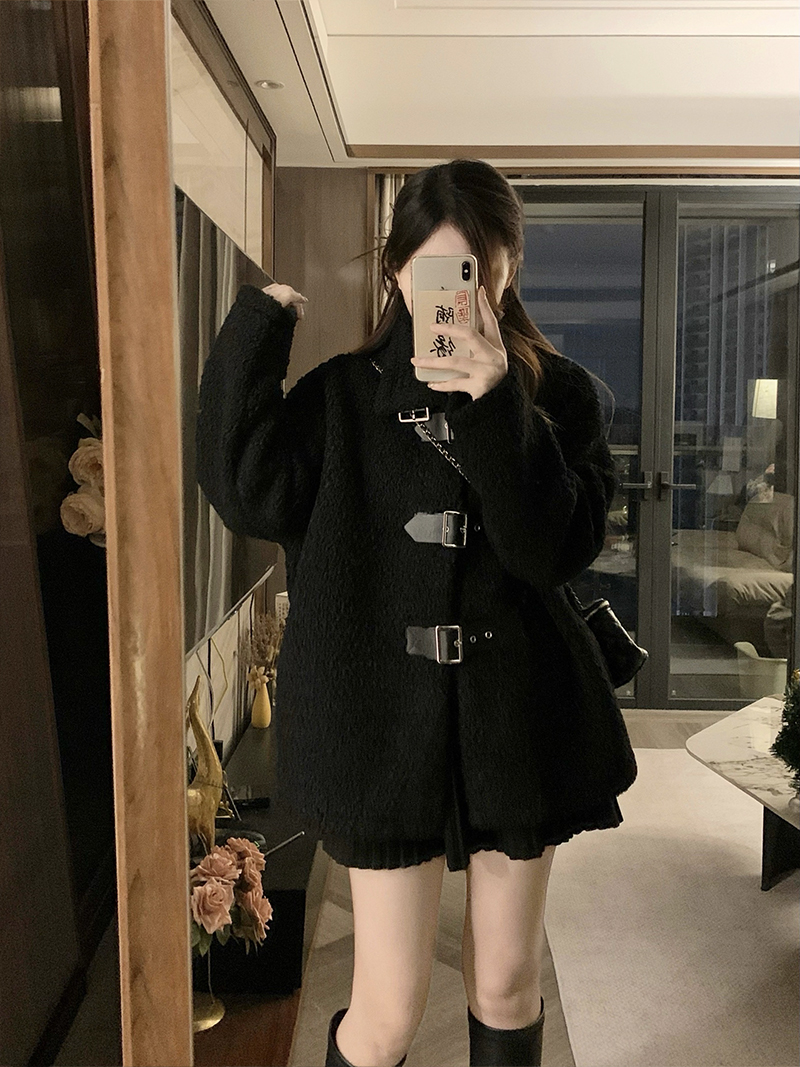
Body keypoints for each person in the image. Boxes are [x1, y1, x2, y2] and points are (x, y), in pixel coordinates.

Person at [196, 159, 638, 1067]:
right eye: (433, 269)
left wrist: (496, 404)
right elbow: (244, 488)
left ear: (507, 268)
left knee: (507, 980)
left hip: (518, 724)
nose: (455, 294)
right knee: (389, 1009)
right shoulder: (341, 398)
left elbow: (550, 549)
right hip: (377, 731)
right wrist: (260, 324)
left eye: (477, 269)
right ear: (398, 271)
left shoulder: (559, 397)